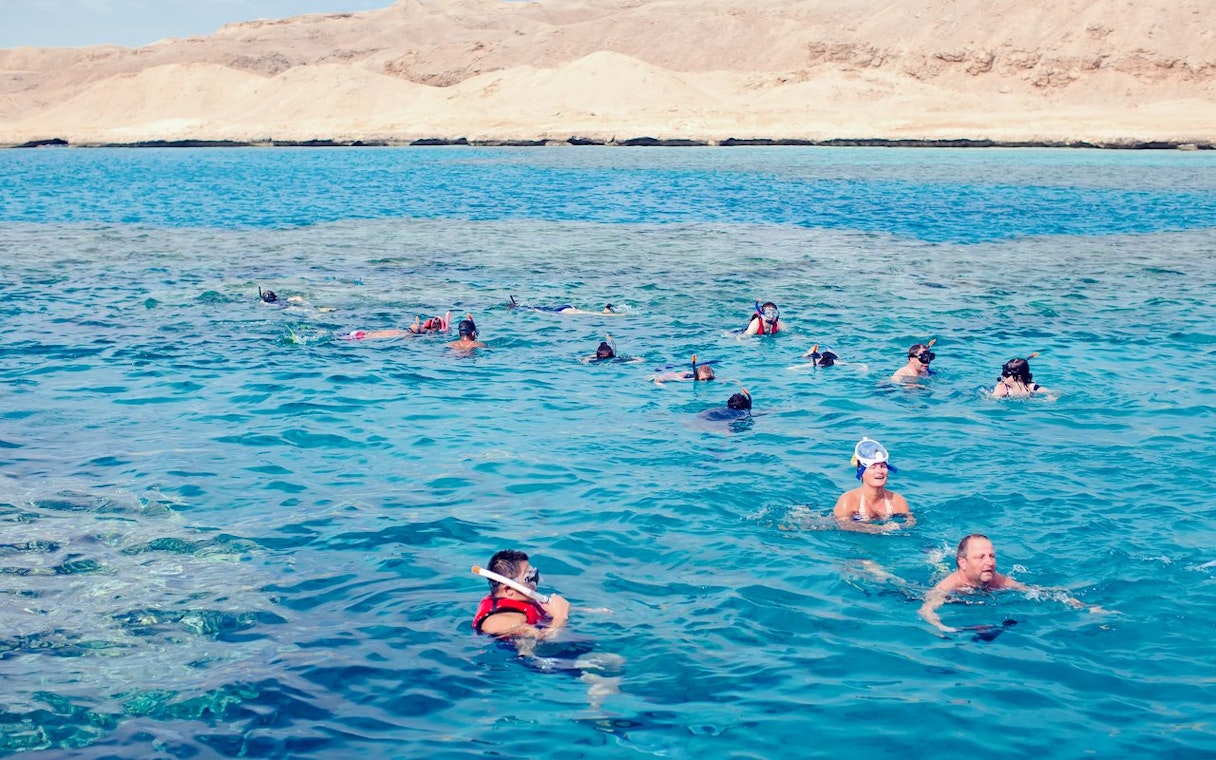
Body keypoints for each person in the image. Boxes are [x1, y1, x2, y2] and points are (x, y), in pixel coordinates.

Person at [919, 534, 1100, 633]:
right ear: (963, 562)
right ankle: (934, 556)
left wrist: (1080, 605)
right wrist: (942, 627)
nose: (989, 562)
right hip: (951, 582)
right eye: (981, 557)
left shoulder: (997, 579)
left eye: (992, 556)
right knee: (939, 567)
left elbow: (1036, 592)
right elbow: (926, 609)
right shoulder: (949, 586)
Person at [473, 550, 571, 640]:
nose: (535, 583)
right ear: (508, 590)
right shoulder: (496, 621)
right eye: (529, 578)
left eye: (534, 575)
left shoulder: (528, 602)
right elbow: (542, 639)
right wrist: (560, 618)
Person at [833, 437, 914, 533]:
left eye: (883, 466)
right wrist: (880, 529)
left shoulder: (897, 501)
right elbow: (843, 525)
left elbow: (911, 524)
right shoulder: (848, 500)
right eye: (873, 467)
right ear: (861, 471)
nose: (879, 471)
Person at [340, 313, 450, 341]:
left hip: (360, 337)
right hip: (362, 335)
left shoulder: (408, 335)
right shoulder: (408, 334)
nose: (434, 320)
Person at [509, 295, 621, 316]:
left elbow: (538, 311)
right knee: (585, 312)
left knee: (585, 312)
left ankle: (606, 312)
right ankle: (606, 312)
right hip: (564, 309)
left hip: (563, 310)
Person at [651, 357, 716, 384]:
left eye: (709, 379)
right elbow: (657, 380)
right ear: (698, 377)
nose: (706, 381)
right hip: (680, 374)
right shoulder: (684, 378)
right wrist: (660, 384)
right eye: (703, 379)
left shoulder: (712, 377)